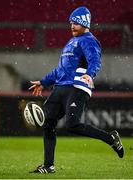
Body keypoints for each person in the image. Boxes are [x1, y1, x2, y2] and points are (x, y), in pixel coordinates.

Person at [29, 6, 124, 173]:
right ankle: (48, 166)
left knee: (72, 125)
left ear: (84, 23)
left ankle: (111, 138)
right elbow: (60, 70)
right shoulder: (70, 42)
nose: (72, 26)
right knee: (48, 124)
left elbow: (95, 60)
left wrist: (90, 74)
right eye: (71, 23)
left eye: (76, 23)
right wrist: (44, 82)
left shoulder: (89, 40)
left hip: (76, 87)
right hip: (59, 88)